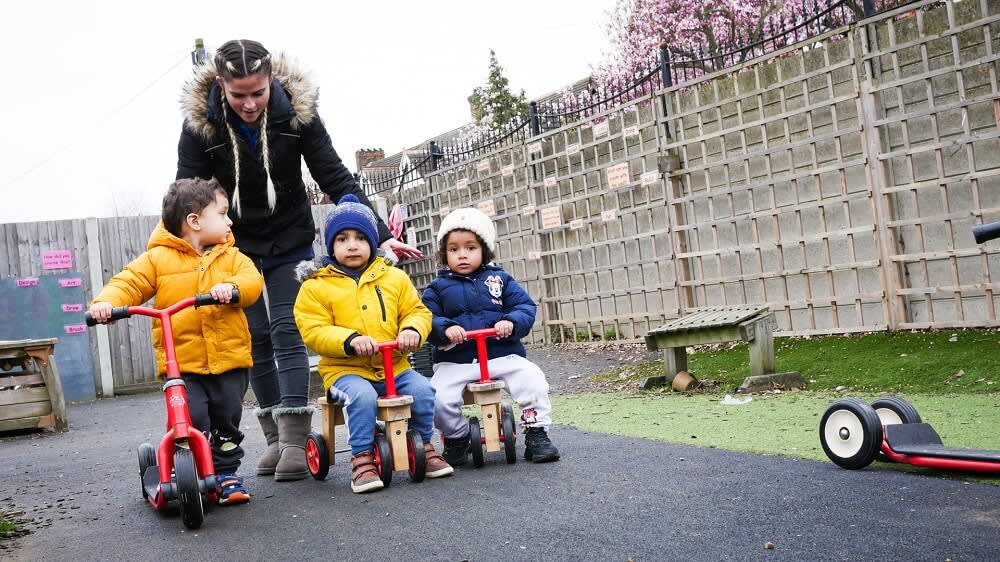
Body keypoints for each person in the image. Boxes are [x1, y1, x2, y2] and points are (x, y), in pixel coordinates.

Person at [176, 39, 421, 481]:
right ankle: (272, 440)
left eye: (258, 92)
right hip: (232, 245)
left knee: (288, 328)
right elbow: (187, 192)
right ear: (220, 85)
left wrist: (381, 236)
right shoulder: (201, 127)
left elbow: (334, 174)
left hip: (288, 235)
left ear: (271, 81)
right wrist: (182, 250)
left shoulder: (296, 116)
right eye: (238, 95)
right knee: (253, 337)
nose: (249, 104)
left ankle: (294, 439)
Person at [89, 178, 264, 505]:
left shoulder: (232, 258)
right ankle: (191, 467)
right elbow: (128, 282)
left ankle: (226, 473)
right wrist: (105, 304)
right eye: (223, 213)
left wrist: (232, 289)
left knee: (227, 419)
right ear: (195, 221)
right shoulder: (157, 260)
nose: (230, 221)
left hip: (229, 359)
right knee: (192, 417)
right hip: (182, 363)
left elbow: (252, 281)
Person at [293, 195, 453, 493]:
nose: (351, 245)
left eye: (359, 238)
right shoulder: (316, 287)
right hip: (345, 371)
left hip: (396, 366)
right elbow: (313, 330)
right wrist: (349, 341)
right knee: (362, 397)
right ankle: (362, 458)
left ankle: (423, 444)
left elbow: (417, 311)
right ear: (330, 245)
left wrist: (412, 331)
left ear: (372, 242)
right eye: (342, 239)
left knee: (423, 390)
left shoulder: (394, 278)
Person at [422, 208, 560, 465]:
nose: (462, 254)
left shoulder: (500, 279)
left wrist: (510, 321)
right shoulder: (436, 288)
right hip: (457, 359)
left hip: (501, 353)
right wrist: (445, 328)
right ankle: (456, 436)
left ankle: (536, 431)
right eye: (453, 249)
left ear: (484, 250)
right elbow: (425, 317)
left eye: (470, 247)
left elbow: (525, 307)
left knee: (533, 380)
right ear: (444, 254)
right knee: (437, 396)